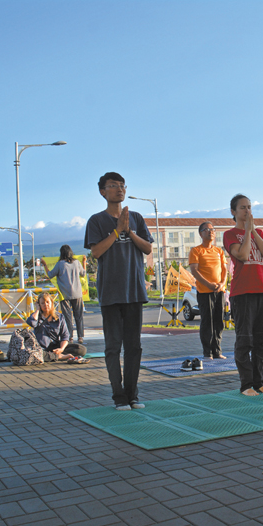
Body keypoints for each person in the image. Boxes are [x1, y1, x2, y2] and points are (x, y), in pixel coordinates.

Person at [84, 172, 153, 411]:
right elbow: (96, 252)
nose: (119, 189)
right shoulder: (96, 221)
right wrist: (116, 231)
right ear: (103, 191)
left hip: (134, 291)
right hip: (111, 292)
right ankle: (119, 396)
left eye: (122, 185)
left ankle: (133, 395)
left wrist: (129, 230)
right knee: (113, 346)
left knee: (134, 346)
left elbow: (147, 248)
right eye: (113, 186)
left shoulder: (135, 218)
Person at [223, 194, 263, 396]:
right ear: (233, 212)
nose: (247, 211)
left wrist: (253, 231)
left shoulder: (259, 232)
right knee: (245, 340)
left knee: (261, 341)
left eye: (249, 207)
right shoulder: (230, 234)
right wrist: (246, 233)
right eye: (243, 207)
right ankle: (246, 385)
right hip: (243, 292)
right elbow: (243, 256)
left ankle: (259, 382)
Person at [189, 221, 228, 359]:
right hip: (205, 292)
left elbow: (225, 270)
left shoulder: (219, 251)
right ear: (201, 234)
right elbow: (194, 271)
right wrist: (209, 284)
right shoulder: (196, 250)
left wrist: (222, 284)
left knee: (219, 321)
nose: (210, 232)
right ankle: (207, 352)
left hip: (219, 291)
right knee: (207, 321)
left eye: (213, 230)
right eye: (206, 230)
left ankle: (217, 351)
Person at [42, 245, 88, 343]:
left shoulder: (60, 264)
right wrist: (84, 262)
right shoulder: (77, 263)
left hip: (65, 294)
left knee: (67, 317)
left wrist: (45, 264)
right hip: (78, 294)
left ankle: (70, 337)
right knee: (79, 316)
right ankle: (80, 337)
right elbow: (83, 274)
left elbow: (50, 275)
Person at [26, 292, 88, 363]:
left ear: (51, 303)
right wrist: (37, 310)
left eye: (47, 302)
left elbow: (65, 336)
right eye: (42, 303)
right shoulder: (37, 316)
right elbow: (31, 323)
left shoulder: (59, 317)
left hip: (56, 347)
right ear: (39, 305)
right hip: (42, 348)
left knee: (81, 349)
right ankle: (59, 357)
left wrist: (61, 349)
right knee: (33, 353)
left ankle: (54, 355)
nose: (45, 305)